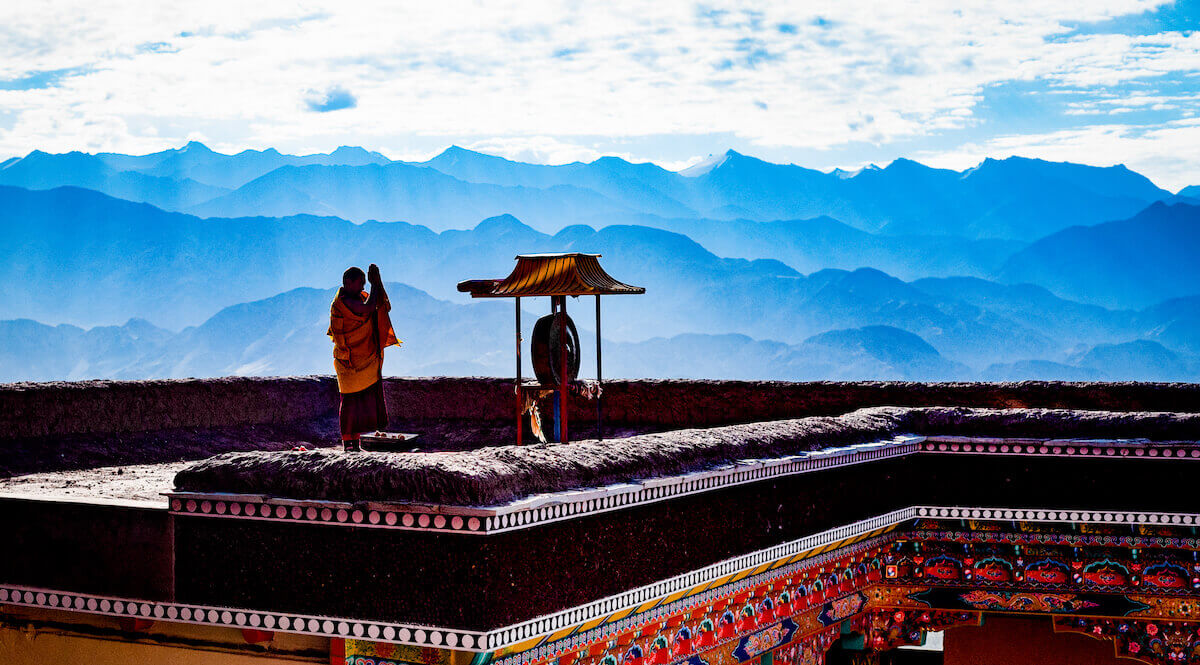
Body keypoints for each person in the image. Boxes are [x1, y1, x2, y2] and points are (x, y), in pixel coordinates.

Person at [327, 264, 400, 451]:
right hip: (348, 361)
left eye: (365, 284)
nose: (362, 288)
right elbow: (367, 309)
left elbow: (376, 306)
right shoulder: (342, 302)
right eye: (360, 284)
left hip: (364, 358)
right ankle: (347, 444)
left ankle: (356, 443)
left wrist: (377, 285)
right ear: (348, 283)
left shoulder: (358, 297)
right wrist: (376, 284)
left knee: (361, 402)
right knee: (350, 402)